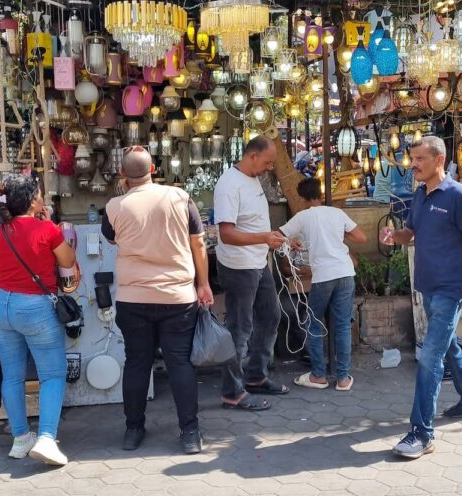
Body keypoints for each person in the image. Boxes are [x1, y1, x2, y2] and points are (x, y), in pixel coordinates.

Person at [381, 136, 462, 460]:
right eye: (412, 159)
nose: (413, 165)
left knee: (430, 356)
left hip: (450, 288)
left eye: (419, 159)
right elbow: (411, 233)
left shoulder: (459, 196)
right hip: (426, 287)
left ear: (438, 159)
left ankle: (422, 433)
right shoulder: (420, 194)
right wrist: (394, 236)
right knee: (447, 344)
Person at [102, 146, 213, 453]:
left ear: (123, 175)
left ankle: (133, 430)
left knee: (138, 363)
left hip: (132, 298)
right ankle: (190, 433)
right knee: (179, 363)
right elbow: (199, 245)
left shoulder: (114, 206)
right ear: (153, 169)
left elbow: (111, 238)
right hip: (177, 296)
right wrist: (203, 284)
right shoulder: (180, 198)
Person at [0, 175, 77, 467]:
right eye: (38, 194)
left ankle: (21, 439)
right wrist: (51, 223)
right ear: (33, 200)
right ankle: (47, 438)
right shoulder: (46, 230)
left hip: (0, 306)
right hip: (35, 308)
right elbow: (68, 261)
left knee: (12, 376)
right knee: (51, 374)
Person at [214, 135, 289, 411]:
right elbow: (227, 234)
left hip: (258, 261)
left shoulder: (253, 178)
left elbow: (252, 223)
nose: (269, 168)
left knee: (271, 316)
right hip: (238, 266)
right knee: (240, 327)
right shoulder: (229, 185)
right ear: (252, 156)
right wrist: (264, 238)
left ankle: (256, 375)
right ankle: (232, 391)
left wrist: (274, 238)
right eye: (267, 162)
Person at [280, 177, 366, 391]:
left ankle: (318, 374)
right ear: (320, 194)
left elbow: (278, 236)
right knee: (343, 325)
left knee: (313, 322)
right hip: (346, 272)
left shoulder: (302, 217)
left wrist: (291, 242)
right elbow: (361, 237)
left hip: (324, 276)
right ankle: (343, 378)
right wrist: (338, 236)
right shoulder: (337, 213)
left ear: (302, 198)